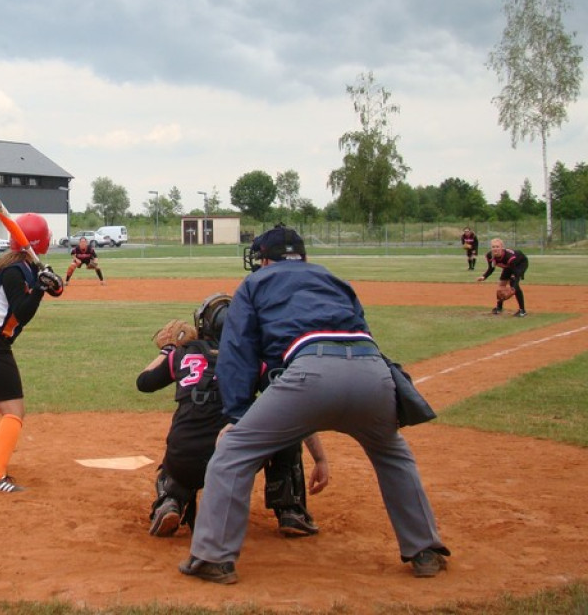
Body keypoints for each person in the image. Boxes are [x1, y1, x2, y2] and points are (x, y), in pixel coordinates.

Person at [180, 225, 449, 585]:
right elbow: (362, 332)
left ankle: (213, 557)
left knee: (233, 451)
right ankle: (425, 551)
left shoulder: (255, 283)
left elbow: (238, 351)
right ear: (303, 255)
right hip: (373, 373)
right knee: (393, 454)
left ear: (263, 259)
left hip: (311, 374)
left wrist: (237, 414)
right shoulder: (334, 280)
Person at [136, 293, 328, 538]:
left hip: (185, 461)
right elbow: (293, 410)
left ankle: (170, 500)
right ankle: (291, 510)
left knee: (182, 438)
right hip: (234, 463)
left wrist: (169, 350)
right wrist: (320, 459)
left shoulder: (183, 354)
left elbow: (144, 382)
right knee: (285, 430)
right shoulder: (253, 359)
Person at [0, 213, 63, 493]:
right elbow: (22, 312)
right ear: (40, 241)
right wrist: (40, 288)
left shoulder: (23, 265)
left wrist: (51, 284)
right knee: (14, 410)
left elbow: (53, 290)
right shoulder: (15, 271)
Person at [477, 238, 529, 317]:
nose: (495, 249)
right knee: (501, 285)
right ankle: (499, 308)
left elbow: (516, 274)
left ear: (502, 248)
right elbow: (491, 268)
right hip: (509, 266)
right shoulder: (490, 255)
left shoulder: (509, 257)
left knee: (513, 284)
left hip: (520, 263)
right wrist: (484, 276)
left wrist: (513, 288)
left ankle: (522, 310)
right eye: (493, 247)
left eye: (497, 246)